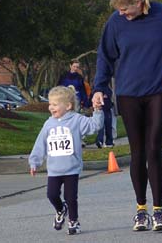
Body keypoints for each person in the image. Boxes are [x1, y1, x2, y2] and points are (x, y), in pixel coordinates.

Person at [92, 0, 162, 232]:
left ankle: (158, 211)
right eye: (118, 9)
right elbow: (105, 56)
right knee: (137, 151)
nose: (121, 13)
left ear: (139, 2)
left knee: (153, 147)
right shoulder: (115, 23)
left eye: (125, 8)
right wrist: (99, 88)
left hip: (159, 89)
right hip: (128, 92)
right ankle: (141, 210)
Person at [29, 86, 103, 235]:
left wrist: (97, 111)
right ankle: (61, 210)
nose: (51, 107)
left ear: (68, 106)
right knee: (52, 195)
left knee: (71, 197)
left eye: (55, 105)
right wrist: (34, 161)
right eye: (50, 104)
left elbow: (94, 126)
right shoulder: (48, 124)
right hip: (54, 170)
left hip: (71, 168)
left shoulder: (77, 120)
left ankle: (73, 221)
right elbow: (40, 143)